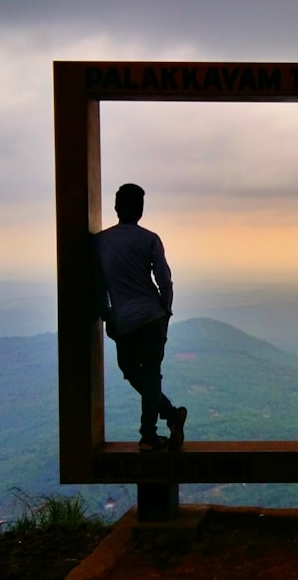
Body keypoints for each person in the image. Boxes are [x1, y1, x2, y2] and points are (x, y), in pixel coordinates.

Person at [94, 183, 187, 451]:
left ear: (116, 207)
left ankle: (150, 433)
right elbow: (165, 282)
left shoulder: (100, 242)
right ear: (141, 210)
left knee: (133, 372)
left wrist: (107, 316)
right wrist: (166, 312)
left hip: (123, 321)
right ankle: (169, 416)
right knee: (150, 375)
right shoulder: (149, 239)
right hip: (152, 318)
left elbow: (99, 286)